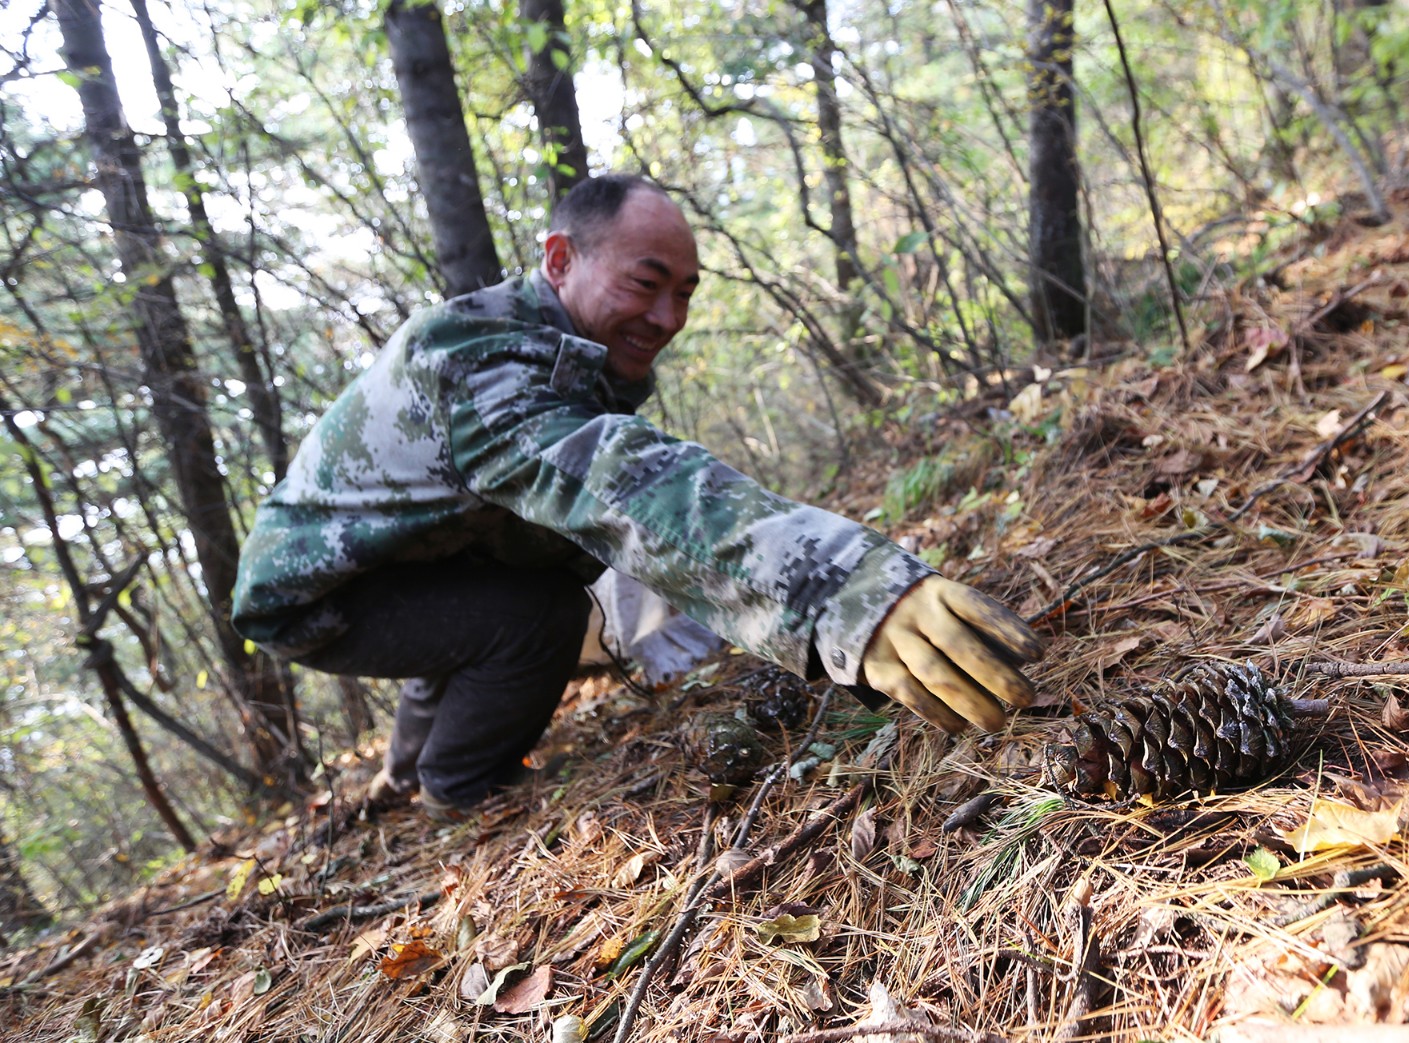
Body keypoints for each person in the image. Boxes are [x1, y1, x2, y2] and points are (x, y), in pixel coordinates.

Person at [231, 173, 1043, 814]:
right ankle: (457, 789)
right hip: (318, 594)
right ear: (559, 260)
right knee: (537, 613)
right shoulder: (478, 368)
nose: (666, 317)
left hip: (399, 564)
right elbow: (628, 482)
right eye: (645, 283)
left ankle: (407, 774)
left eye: (685, 292)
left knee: (521, 585)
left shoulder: (544, 342)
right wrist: (852, 592)